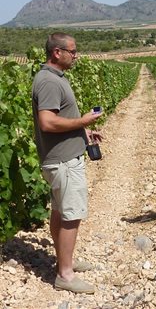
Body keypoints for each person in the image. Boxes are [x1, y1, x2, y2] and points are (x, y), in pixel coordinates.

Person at [32, 32, 103, 294]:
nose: (76, 55)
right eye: (72, 51)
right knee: (71, 215)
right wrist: (83, 122)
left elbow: (62, 118)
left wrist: (83, 134)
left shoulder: (55, 78)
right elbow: (48, 122)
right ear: (56, 53)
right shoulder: (49, 81)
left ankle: (66, 262)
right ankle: (65, 275)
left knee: (60, 211)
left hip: (64, 156)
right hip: (62, 160)